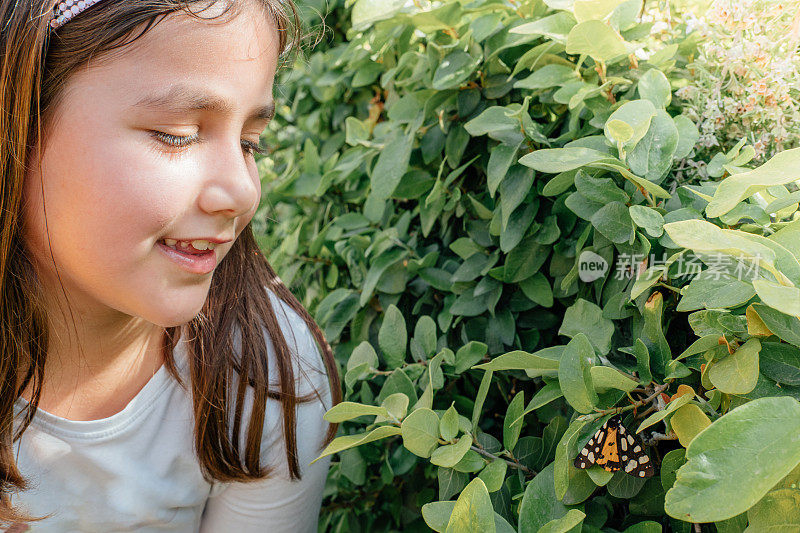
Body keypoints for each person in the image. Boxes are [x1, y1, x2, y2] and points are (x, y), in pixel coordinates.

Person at [0, 0, 342, 531]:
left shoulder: (268, 373)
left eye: (251, 143)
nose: (240, 192)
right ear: (18, 122)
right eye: (176, 134)